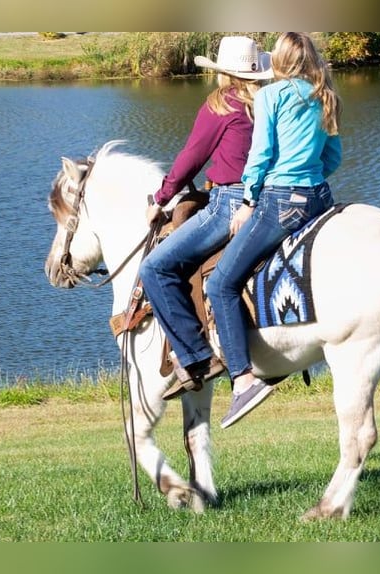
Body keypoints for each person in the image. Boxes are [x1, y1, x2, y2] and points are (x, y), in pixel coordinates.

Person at [206, 32, 343, 429]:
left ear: (278, 62)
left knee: (220, 284)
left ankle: (244, 380)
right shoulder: (326, 96)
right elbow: (333, 156)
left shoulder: (271, 96)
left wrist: (249, 202)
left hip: (280, 201)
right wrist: (310, 176)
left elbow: (261, 153)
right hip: (320, 196)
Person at [139, 36, 273, 401]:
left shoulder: (222, 103)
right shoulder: (270, 102)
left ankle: (196, 356)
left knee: (155, 269)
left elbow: (191, 159)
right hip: (269, 200)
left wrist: (162, 199)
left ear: (221, 72)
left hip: (229, 202)